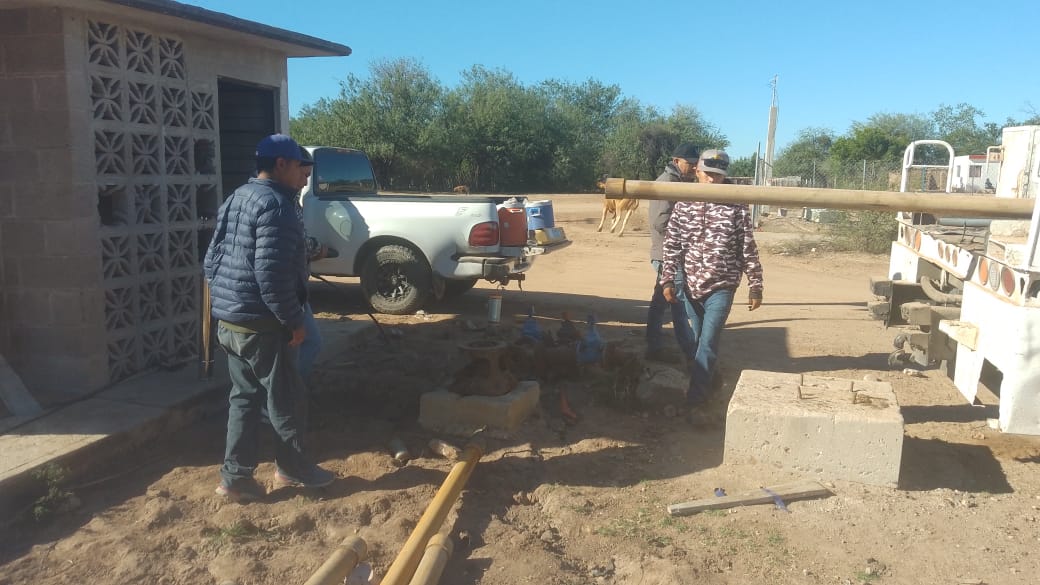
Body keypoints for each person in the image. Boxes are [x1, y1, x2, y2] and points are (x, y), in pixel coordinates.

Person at [204, 134, 335, 502]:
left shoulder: (238, 197)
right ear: (281, 164)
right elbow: (271, 276)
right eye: (299, 169)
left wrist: (226, 302)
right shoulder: (277, 207)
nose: (303, 177)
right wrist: (294, 321)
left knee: (244, 400)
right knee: (287, 399)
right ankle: (292, 470)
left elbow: (211, 258)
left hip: (231, 323)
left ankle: (235, 479)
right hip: (263, 326)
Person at [659, 148, 764, 411]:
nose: (712, 179)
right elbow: (672, 244)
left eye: (717, 175)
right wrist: (668, 279)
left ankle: (695, 401)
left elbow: (747, 246)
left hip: (722, 285)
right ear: (697, 171)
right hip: (691, 285)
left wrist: (755, 284)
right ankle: (710, 381)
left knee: (707, 343)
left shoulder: (736, 205)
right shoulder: (684, 204)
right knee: (698, 342)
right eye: (707, 174)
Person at [646, 143, 699, 362]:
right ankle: (691, 354)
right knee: (679, 303)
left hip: (668, 254)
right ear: (676, 161)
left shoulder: (679, 182)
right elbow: (660, 223)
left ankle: (653, 346)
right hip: (668, 255)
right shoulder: (668, 183)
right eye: (690, 163)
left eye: (696, 164)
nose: (694, 168)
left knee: (660, 302)